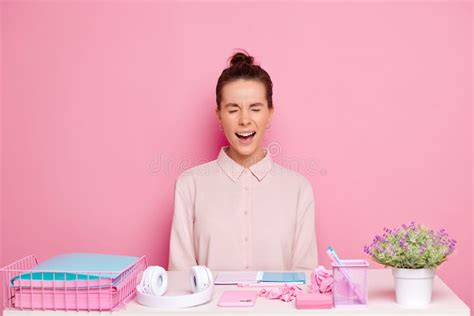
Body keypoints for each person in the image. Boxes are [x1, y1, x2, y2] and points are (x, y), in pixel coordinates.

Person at [168, 50, 318, 271]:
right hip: (207, 307)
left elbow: (306, 277)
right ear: (219, 115)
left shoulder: (298, 188)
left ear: (270, 113)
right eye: (233, 110)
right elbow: (179, 277)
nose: (245, 120)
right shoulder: (190, 185)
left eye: (255, 109)